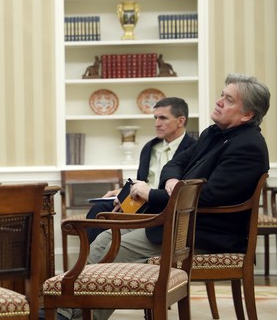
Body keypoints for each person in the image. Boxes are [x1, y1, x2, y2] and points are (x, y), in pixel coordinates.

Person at [58, 73, 270, 320]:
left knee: (117, 251)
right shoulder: (213, 133)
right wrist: (171, 181)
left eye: (229, 99)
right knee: (105, 238)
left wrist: (154, 194)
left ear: (247, 114)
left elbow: (209, 197)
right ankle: (65, 310)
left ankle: (77, 316)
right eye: (222, 95)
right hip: (179, 224)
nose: (219, 101)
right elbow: (176, 163)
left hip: (204, 235)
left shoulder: (248, 146)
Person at [85, 97, 196, 243]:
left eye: (163, 118)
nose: (157, 123)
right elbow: (142, 181)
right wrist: (124, 193)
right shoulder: (150, 147)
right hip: (141, 202)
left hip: (165, 205)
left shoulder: (194, 149)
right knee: (100, 209)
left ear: (180, 121)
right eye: (155, 118)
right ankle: (92, 263)